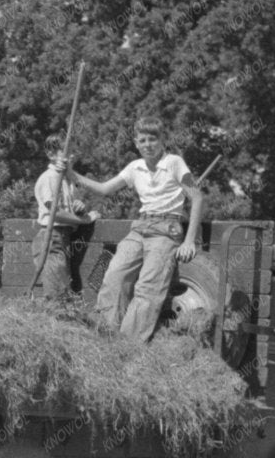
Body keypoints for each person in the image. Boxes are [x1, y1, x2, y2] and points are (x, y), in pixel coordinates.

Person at [89, 114, 206, 342]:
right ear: (136, 143)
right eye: (142, 140)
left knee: (147, 289)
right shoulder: (135, 167)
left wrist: (189, 240)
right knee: (114, 276)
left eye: (152, 139)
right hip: (140, 227)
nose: (147, 145)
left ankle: (127, 345)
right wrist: (72, 175)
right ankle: (104, 338)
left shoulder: (173, 162)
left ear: (162, 140)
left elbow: (198, 197)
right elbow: (104, 189)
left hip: (166, 230)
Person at [31, 146, 107, 302]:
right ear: (51, 154)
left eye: (72, 151)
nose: (71, 155)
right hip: (52, 237)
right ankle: (55, 321)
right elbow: (55, 213)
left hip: (64, 237)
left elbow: (66, 209)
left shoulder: (67, 180)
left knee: (64, 286)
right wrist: (85, 220)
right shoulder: (50, 178)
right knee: (57, 291)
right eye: (65, 151)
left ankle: (59, 319)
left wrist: (79, 208)